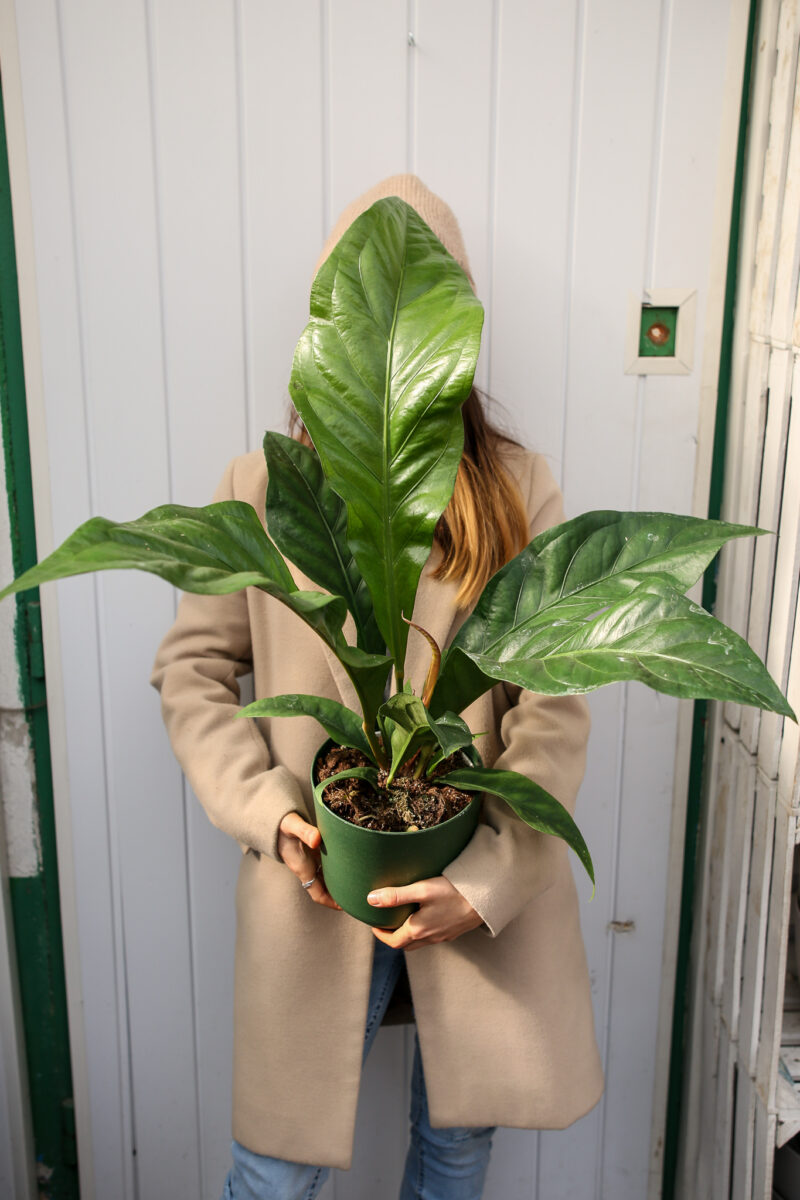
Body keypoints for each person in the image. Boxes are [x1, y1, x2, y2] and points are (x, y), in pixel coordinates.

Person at [149, 174, 604, 1200]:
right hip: (314, 884)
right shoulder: (264, 490)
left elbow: (553, 708)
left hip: (474, 885)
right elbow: (190, 672)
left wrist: (484, 883)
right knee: (273, 1176)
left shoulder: (515, 488)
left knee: (452, 1162)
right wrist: (271, 814)